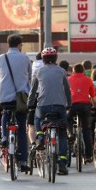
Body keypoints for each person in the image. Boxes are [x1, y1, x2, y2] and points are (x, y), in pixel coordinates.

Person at [28, 47, 72, 175]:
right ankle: (62, 163)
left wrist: (30, 103)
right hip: (60, 106)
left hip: (43, 105)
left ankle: (40, 136)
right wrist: (69, 104)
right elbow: (67, 90)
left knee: (36, 117)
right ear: (55, 58)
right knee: (63, 133)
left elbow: (33, 91)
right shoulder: (62, 71)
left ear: (43, 59)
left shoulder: (38, 72)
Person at [0, 34, 31, 172]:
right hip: (21, 97)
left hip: (4, 95)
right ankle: (23, 161)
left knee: (5, 113)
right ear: (19, 45)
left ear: (8, 45)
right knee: (21, 128)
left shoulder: (0, 58)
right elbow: (29, 77)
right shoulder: (25, 58)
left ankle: (4, 137)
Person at [68, 63, 96, 163]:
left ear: (73, 71)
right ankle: (88, 155)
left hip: (72, 105)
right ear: (83, 71)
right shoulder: (88, 79)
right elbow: (93, 96)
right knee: (86, 130)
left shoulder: (68, 79)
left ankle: (70, 133)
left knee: (68, 119)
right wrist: (95, 106)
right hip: (85, 106)